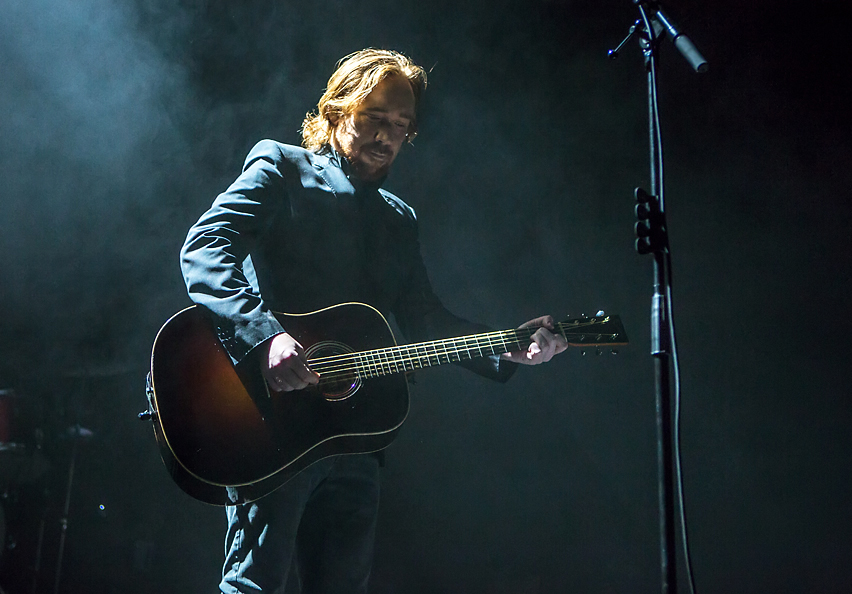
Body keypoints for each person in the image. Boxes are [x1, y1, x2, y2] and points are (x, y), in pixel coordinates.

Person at [180, 48, 567, 594]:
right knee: (253, 586)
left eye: (402, 125)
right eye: (375, 118)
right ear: (337, 111)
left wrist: (504, 346)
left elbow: (424, 319)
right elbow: (205, 248)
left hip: (356, 434)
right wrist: (266, 339)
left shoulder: (397, 218)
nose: (388, 136)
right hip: (271, 422)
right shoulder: (282, 167)